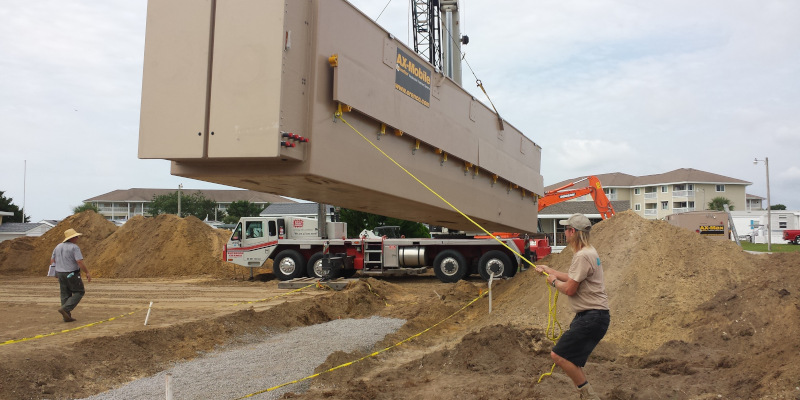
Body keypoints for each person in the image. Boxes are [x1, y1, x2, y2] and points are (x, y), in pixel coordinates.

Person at [535, 213, 609, 400]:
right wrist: (549, 270)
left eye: (566, 229)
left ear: (573, 232)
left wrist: (552, 282)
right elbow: (572, 277)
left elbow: (569, 289)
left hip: (592, 317)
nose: (564, 233)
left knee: (558, 355)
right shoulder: (588, 252)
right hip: (593, 316)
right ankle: (586, 394)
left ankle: (589, 395)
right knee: (568, 358)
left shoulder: (582, 256)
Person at [51, 228, 92, 322]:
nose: (77, 238)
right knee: (79, 291)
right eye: (75, 236)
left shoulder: (58, 246)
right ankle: (65, 309)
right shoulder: (74, 247)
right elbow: (79, 261)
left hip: (60, 273)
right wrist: (87, 272)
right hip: (71, 273)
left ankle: (66, 316)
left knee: (65, 294)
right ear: (71, 238)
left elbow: (52, 260)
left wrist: (55, 271)